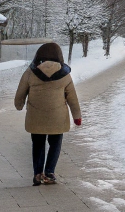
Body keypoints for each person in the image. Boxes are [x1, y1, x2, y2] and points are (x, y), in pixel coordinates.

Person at [13, 41, 82, 186]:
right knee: (55, 144)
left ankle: (38, 174)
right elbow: (72, 98)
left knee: (37, 145)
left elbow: (20, 93)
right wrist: (77, 117)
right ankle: (49, 173)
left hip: (36, 116)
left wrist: (19, 105)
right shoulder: (65, 74)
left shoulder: (30, 72)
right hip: (57, 117)